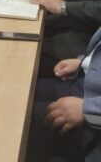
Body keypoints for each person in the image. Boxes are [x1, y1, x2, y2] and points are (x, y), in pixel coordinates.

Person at [26, 27, 101, 162]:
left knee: (23, 120)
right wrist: (85, 63)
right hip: (86, 85)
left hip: (93, 118)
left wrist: (87, 109)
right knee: (22, 93)